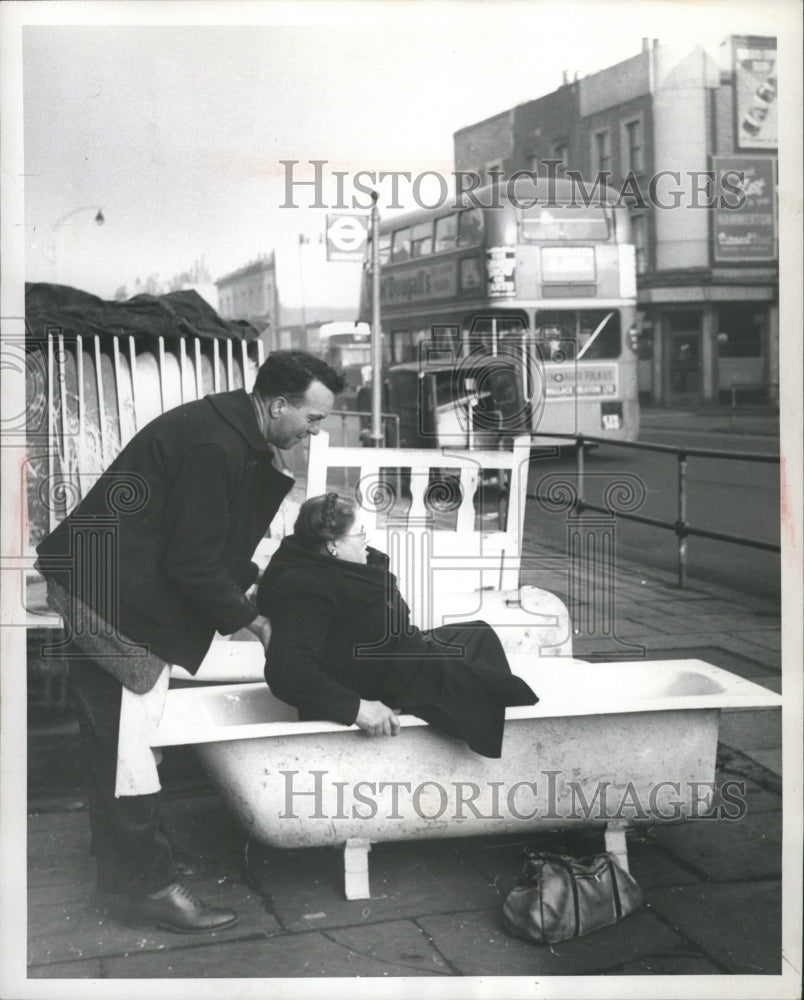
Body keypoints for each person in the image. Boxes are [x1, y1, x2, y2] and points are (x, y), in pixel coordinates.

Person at [35, 350, 344, 933]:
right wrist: (255, 621)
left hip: (114, 581)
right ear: (278, 404)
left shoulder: (230, 430)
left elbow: (205, 544)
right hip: (108, 596)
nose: (314, 430)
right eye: (313, 417)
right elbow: (192, 563)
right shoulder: (216, 446)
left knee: (119, 738)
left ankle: (128, 862)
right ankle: (148, 888)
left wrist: (256, 588)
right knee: (131, 744)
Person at [256, 492, 538, 758]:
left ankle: (470, 740)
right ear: (333, 545)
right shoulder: (308, 589)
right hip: (376, 684)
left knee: (479, 635)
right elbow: (289, 672)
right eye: (360, 534)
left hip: (391, 659)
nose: (366, 542)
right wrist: (358, 708)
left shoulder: (343, 566)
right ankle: (473, 754)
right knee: (498, 688)